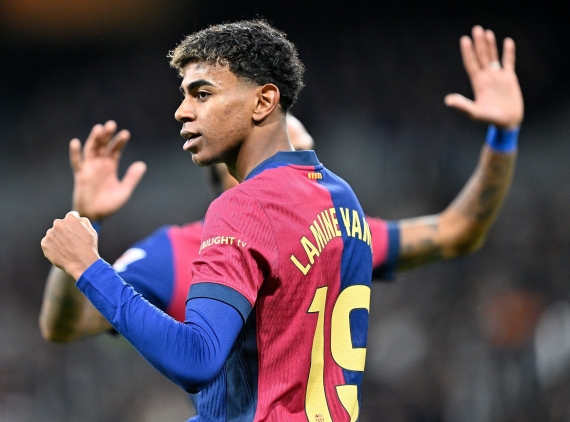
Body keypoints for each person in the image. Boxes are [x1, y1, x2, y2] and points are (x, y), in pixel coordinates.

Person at [40, 22, 522, 421]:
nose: (182, 111)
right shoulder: (341, 202)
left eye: (202, 93)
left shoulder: (244, 209)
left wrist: (88, 265)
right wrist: (504, 138)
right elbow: (65, 324)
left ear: (264, 103)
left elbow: (196, 359)